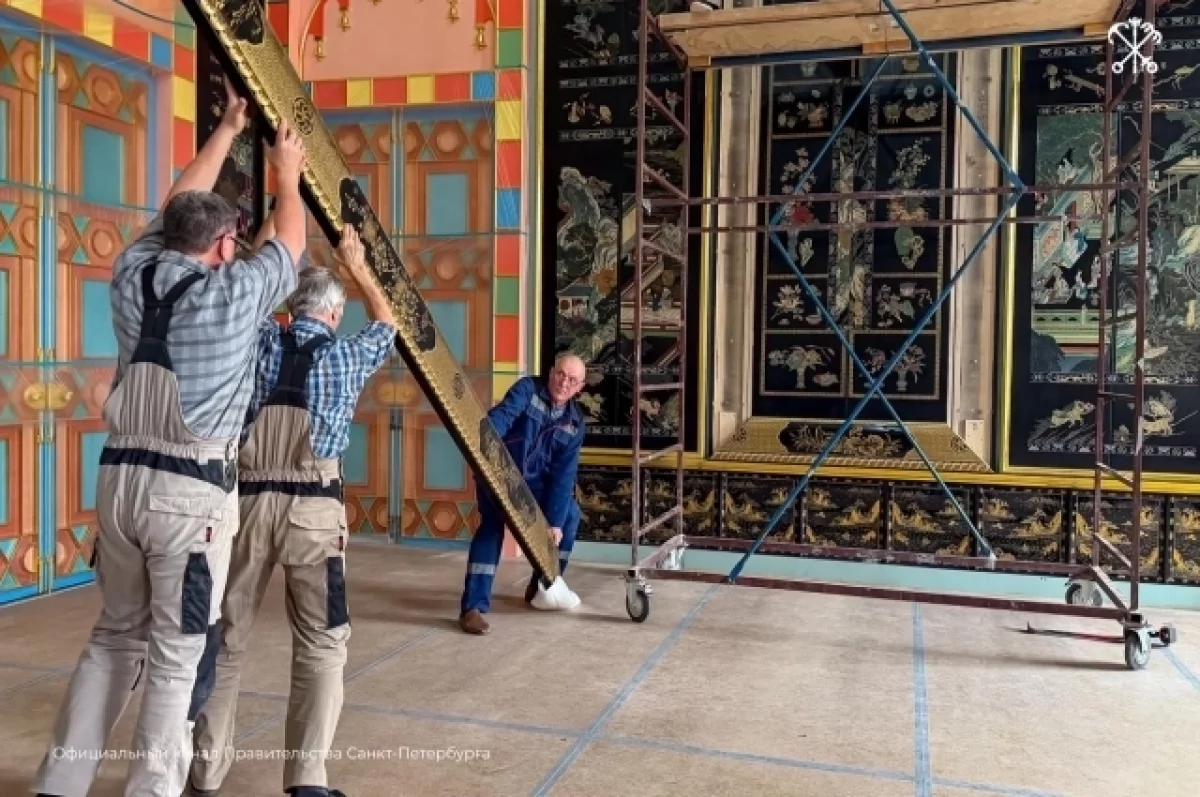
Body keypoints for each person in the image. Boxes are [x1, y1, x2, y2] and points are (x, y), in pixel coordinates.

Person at [29, 79, 309, 797]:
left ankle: (59, 785)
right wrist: (288, 172)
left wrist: (227, 128)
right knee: (178, 654)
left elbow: (175, 207)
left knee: (114, 636)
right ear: (223, 244)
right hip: (189, 498)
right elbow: (291, 240)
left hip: (119, 483)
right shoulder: (233, 294)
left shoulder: (133, 271)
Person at [187, 225, 396, 797]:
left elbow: (244, 288)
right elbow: (387, 324)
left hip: (246, 505)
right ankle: (307, 780)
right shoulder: (347, 354)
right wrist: (356, 266)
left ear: (291, 307)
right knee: (322, 643)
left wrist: (265, 242)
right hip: (314, 514)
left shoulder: (257, 340)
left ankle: (203, 772)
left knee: (226, 636)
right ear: (334, 314)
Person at [459, 353, 589, 635]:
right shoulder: (527, 389)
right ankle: (473, 608)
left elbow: (563, 476)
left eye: (572, 380)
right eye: (560, 374)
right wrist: (487, 446)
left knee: (569, 515)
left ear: (580, 388)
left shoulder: (575, 424)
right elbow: (501, 417)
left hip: (536, 485)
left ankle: (542, 585)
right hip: (501, 472)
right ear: (551, 372)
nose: (564, 383)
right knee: (491, 528)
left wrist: (554, 522)